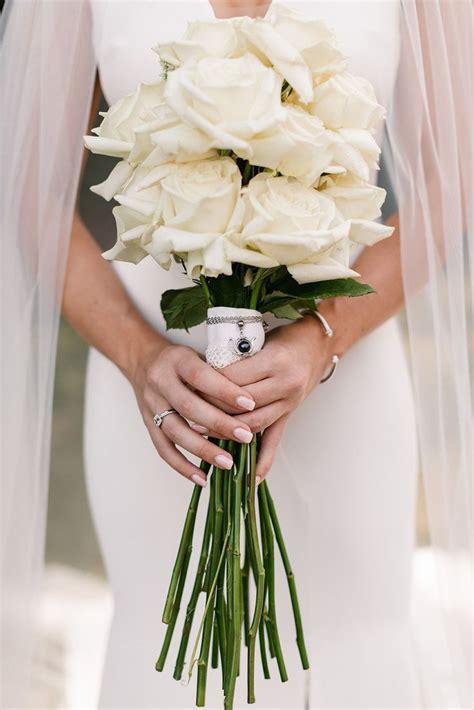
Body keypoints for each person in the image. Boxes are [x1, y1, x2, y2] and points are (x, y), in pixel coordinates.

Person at [1, 1, 471, 708]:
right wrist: (141, 359)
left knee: (351, 645)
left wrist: (324, 336)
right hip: (159, 394)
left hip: (348, 385)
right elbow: (32, 190)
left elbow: (451, 176)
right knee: (167, 659)